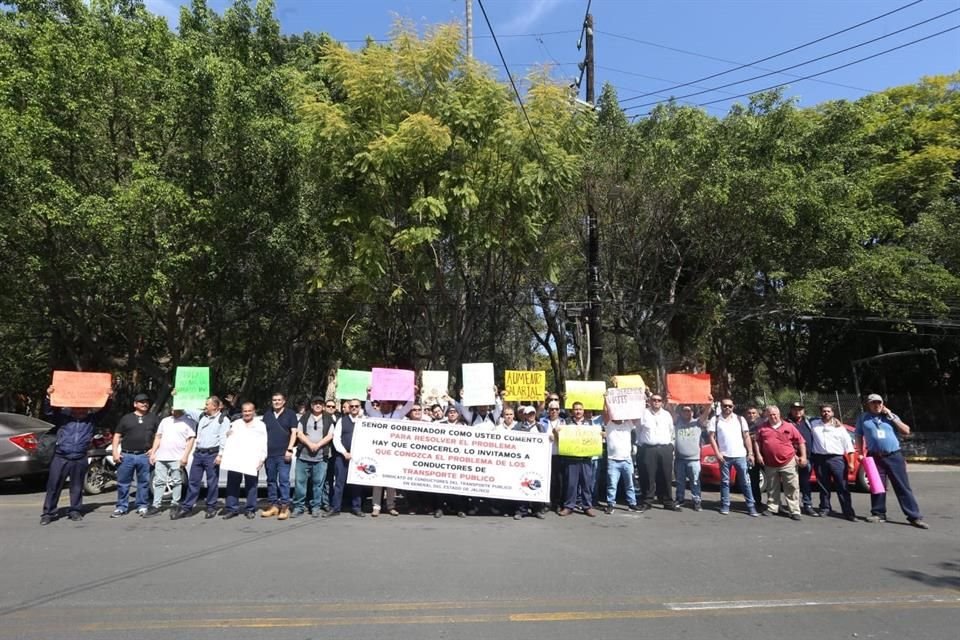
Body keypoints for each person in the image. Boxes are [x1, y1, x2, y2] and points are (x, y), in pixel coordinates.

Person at [39, 385, 112, 525]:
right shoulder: (62, 418)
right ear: (72, 408)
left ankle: (75, 510)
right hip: (61, 456)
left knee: (77, 486)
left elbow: (106, 410)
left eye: (82, 408)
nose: (79, 410)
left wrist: (109, 397)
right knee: (53, 485)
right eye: (77, 408)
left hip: (80, 457)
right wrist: (49, 396)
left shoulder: (91, 420)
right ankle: (48, 513)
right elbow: (48, 411)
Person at [855, 394, 928, 529]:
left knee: (902, 486)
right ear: (868, 404)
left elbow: (906, 431)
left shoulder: (891, 416)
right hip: (875, 456)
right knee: (877, 486)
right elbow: (858, 435)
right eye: (873, 403)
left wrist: (891, 416)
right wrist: (860, 453)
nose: (877, 405)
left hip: (894, 456)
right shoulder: (863, 418)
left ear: (883, 404)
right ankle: (878, 513)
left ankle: (914, 516)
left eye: (879, 402)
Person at [174, 396, 230, 519]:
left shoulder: (223, 420)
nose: (205, 406)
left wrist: (220, 455)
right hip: (199, 454)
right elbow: (186, 409)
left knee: (212, 483)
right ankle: (187, 507)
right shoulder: (201, 416)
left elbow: (223, 439)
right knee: (193, 481)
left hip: (212, 455)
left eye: (207, 404)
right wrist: (177, 396)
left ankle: (211, 507)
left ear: (215, 406)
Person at [704, 399, 758, 516]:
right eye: (725, 406)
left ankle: (751, 506)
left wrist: (750, 453)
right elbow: (711, 437)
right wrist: (717, 453)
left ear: (733, 407)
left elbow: (746, 436)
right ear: (721, 406)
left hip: (740, 456)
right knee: (725, 482)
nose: (727, 408)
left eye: (729, 406)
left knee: (745, 482)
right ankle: (725, 505)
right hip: (725, 457)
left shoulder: (740, 419)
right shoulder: (716, 420)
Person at [111, 393, 161, 518]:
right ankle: (121, 507)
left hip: (144, 455)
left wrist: (154, 450)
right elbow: (117, 435)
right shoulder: (126, 418)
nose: (145, 404)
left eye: (146, 402)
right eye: (141, 402)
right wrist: (115, 452)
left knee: (143, 482)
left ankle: (142, 505)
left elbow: (159, 436)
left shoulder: (153, 418)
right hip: (126, 455)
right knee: (123, 482)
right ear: (135, 404)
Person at [365, 393, 415, 517]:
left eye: (387, 403)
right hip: (378, 452)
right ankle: (376, 506)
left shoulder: (397, 415)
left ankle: (391, 506)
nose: (385, 405)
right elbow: (367, 408)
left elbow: (409, 406)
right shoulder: (375, 414)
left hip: (393, 453)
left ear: (391, 405)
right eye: (383, 403)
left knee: (391, 481)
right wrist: (368, 395)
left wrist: (413, 393)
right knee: (377, 481)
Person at [754, 405, 806, 521]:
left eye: (775, 414)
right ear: (767, 415)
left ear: (779, 414)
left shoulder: (789, 426)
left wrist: (803, 456)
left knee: (792, 486)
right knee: (772, 487)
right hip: (770, 463)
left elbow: (801, 441)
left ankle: (794, 510)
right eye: (770, 414)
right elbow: (757, 441)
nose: (773, 417)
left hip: (788, 461)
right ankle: (773, 508)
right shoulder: (762, 428)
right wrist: (758, 454)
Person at [144, 408, 196, 517]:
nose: (172, 409)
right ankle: (156, 505)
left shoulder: (188, 422)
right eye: (172, 407)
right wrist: (153, 452)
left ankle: (175, 504)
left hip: (177, 457)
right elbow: (158, 437)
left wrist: (185, 456)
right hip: (161, 456)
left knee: (177, 481)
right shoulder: (165, 421)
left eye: (175, 407)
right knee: (159, 481)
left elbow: (191, 440)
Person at [221, 402, 267, 519]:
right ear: (242, 412)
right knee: (232, 484)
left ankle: (250, 509)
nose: (247, 413)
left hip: (252, 459)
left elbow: (263, 442)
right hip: (236, 459)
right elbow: (228, 439)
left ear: (254, 411)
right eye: (245, 411)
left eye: (249, 411)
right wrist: (227, 435)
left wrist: (262, 459)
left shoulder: (260, 425)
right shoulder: (236, 424)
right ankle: (232, 509)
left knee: (251, 485)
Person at [810, 404, 856, 521]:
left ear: (833, 413)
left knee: (842, 486)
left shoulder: (840, 428)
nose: (826, 413)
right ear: (820, 413)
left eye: (828, 411)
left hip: (837, 459)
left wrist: (850, 463)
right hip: (820, 459)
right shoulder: (813, 425)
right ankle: (825, 508)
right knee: (823, 486)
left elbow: (849, 447)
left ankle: (848, 512)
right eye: (824, 411)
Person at [291, 396, 335, 518]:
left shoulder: (329, 419)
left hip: (321, 457)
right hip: (303, 456)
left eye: (320, 403)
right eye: (315, 403)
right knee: (300, 483)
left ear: (323, 406)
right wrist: (310, 444)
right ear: (311, 405)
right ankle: (299, 507)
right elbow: (299, 433)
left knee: (318, 484)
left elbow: (331, 435)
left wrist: (318, 445)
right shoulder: (304, 417)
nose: (318, 405)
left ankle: (316, 507)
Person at [555, 402, 599, 517]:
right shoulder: (566, 422)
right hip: (571, 458)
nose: (578, 411)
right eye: (576, 409)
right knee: (571, 484)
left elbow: (597, 437)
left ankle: (587, 506)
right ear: (572, 411)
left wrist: (601, 435)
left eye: (580, 409)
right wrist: (557, 432)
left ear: (583, 411)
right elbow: (558, 436)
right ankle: (569, 506)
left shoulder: (590, 423)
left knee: (586, 483)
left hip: (585, 458)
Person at [260, 392, 298, 520]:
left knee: (283, 481)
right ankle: (273, 506)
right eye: (274, 400)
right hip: (269, 454)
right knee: (271, 481)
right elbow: (260, 433)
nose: (276, 402)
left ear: (284, 401)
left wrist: (290, 449)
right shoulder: (267, 415)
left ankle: (285, 507)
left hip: (283, 454)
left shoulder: (290, 414)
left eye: (279, 400)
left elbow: (294, 433)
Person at [325, 399, 365, 517]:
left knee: (357, 483)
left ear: (360, 407)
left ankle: (356, 507)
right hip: (342, 457)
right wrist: (344, 452)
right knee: (339, 483)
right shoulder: (342, 421)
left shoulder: (364, 421)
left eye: (356, 406)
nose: (354, 408)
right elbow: (336, 439)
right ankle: (336, 508)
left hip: (358, 457)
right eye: (351, 406)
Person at [636, 393, 675, 512]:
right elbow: (638, 430)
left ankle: (667, 501)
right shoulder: (643, 414)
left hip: (664, 448)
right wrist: (642, 444)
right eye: (654, 400)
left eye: (659, 400)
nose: (656, 402)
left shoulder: (667, 415)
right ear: (650, 401)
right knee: (648, 476)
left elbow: (671, 431)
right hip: (648, 449)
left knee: (666, 475)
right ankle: (647, 501)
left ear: (662, 402)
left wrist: (671, 446)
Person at [512, 406, 548, 519]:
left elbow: (546, 441)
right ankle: (521, 510)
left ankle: (537, 510)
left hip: (537, 461)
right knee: (522, 485)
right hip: (523, 461)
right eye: (529, 414)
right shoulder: (518, 427)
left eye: (533, 413)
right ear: (525, 415)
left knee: (536, 484)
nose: (531, 416)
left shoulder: (540, 427)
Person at [787, 401, 818, 517]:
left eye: (800, 409)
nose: (797, 411)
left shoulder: (809, 422)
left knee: (805, 483)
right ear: (791, 410)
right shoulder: (786, 423)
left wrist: (837, 421)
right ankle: (793, 507)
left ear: (803, 410)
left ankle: (807, 505)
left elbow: (828, 421)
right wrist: (795, 456)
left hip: (807, 458)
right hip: (791, 458)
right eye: (795, 409)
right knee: (791, 484)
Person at [603, 417, 638, 514]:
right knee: (612, 485)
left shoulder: (628, 424)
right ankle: (610, 504)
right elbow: (604, 413)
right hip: (613, 460)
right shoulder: (609, 424)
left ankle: (632, 504)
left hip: (627, 460)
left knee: (630, 484)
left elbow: (636, 416)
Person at [673, 405, 704, 512]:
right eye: (684, 410)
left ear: (692, 412)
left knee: (695, 482)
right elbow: (670, 409)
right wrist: (669, 400)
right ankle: (680, 499)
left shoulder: (697, 423)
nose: (687, 412)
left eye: (689, 410)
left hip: (694, 460)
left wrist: (709, 403)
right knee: (680, 482)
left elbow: (706, 413)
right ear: (681, 412)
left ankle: (696, 501)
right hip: (680, 459)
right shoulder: (677, 422)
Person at [744, 405, 764, 512]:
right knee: (754, 481)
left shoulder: (763, 424)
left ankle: (773, 504)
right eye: (749, 413)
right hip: (751, 456)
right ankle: (757, 502)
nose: (751, 415)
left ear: (758, 414)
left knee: (771, 481)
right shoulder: (743, 425)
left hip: (764, 456)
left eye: (753, 413)